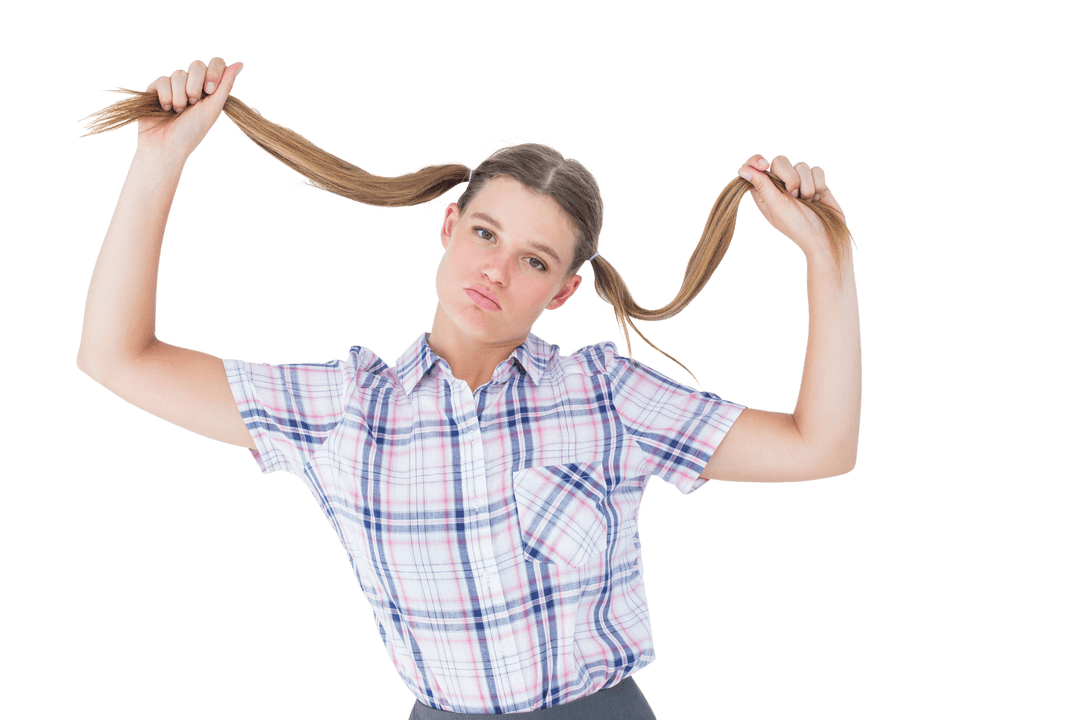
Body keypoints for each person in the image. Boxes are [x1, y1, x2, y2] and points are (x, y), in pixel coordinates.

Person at [75, 57, 862, 718]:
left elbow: (819, 447)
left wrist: (827, 260)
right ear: (449, 228)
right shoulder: (345, 410)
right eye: (486, 234)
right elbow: (116, 357)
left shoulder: (605, 395)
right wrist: (160, 158)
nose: (496, 268)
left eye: (535, 259)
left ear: (561, 291)